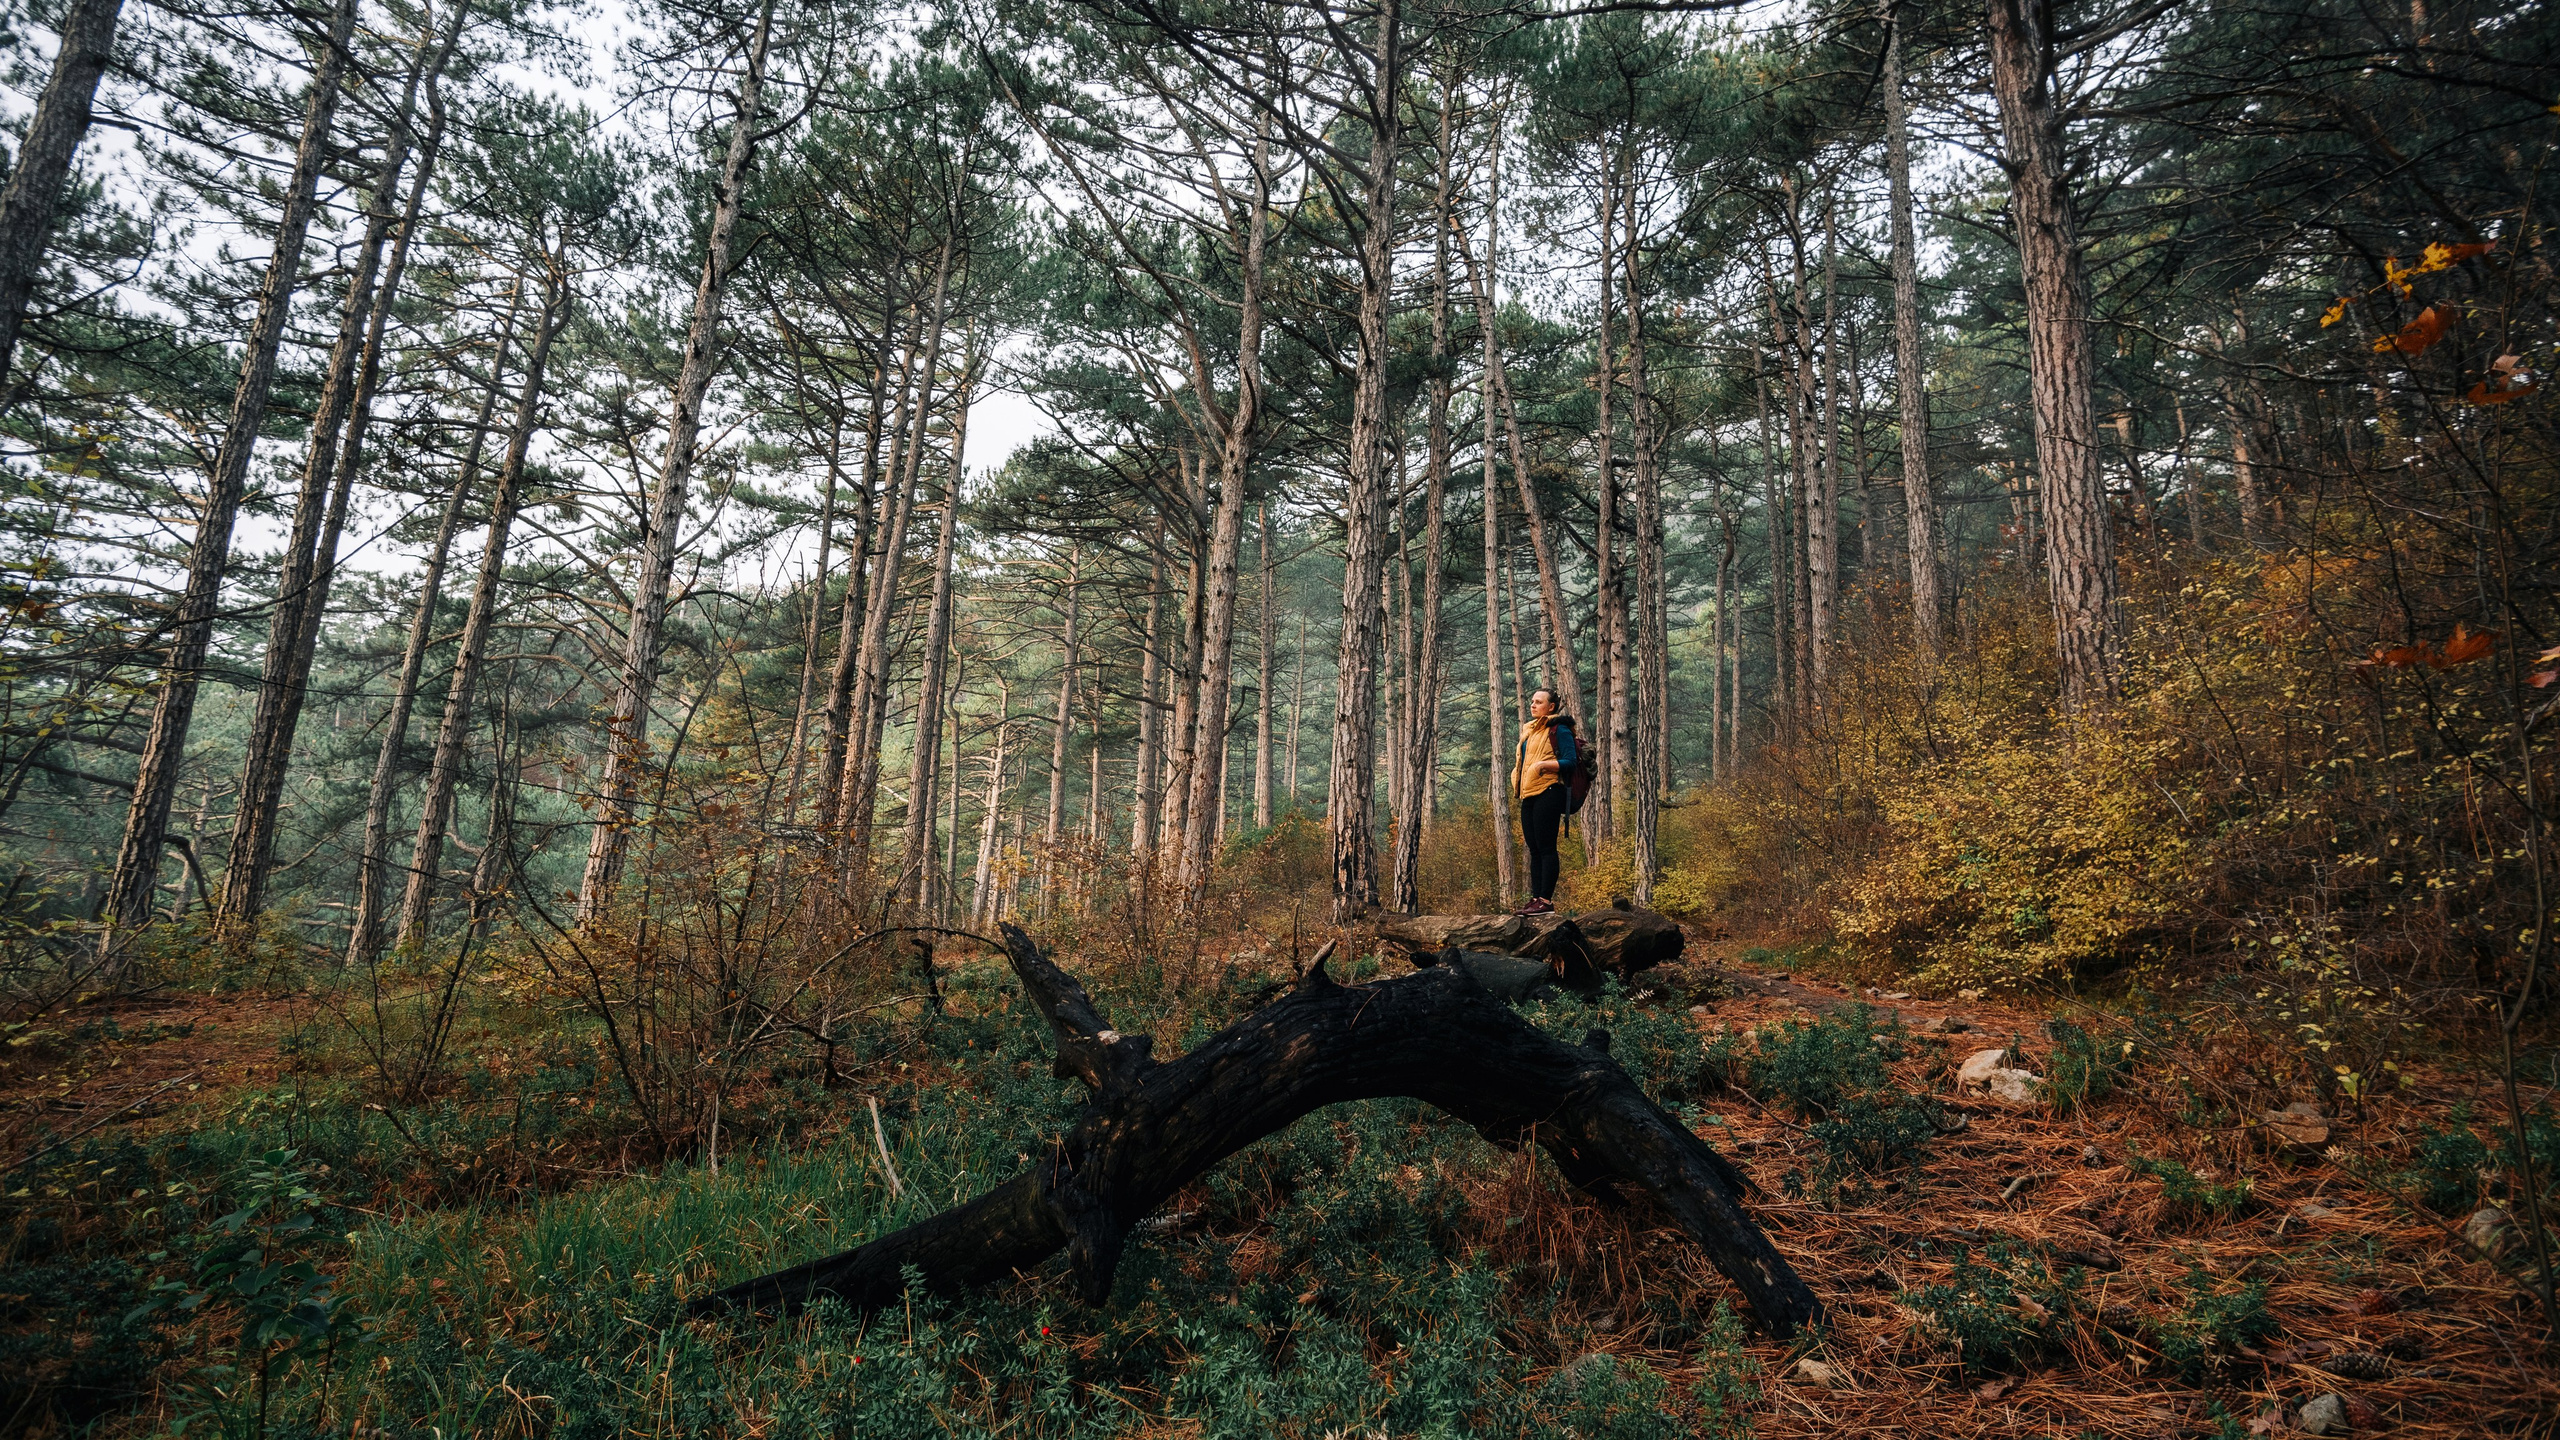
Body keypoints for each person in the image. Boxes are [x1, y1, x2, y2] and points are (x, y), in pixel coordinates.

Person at [1511, 688, 1577, 916]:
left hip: (1550, 791)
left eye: (1539, 702)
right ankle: (1535, 899)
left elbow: (1570, 761)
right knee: (1534, 848)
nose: (1533, 705)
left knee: (1547, 848)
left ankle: (1545, 901)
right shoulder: (1530, 731)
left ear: (1551, 707)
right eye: (1532, 701)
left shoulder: (1560, 729)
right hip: (1529, 794)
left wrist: (1541, 766)